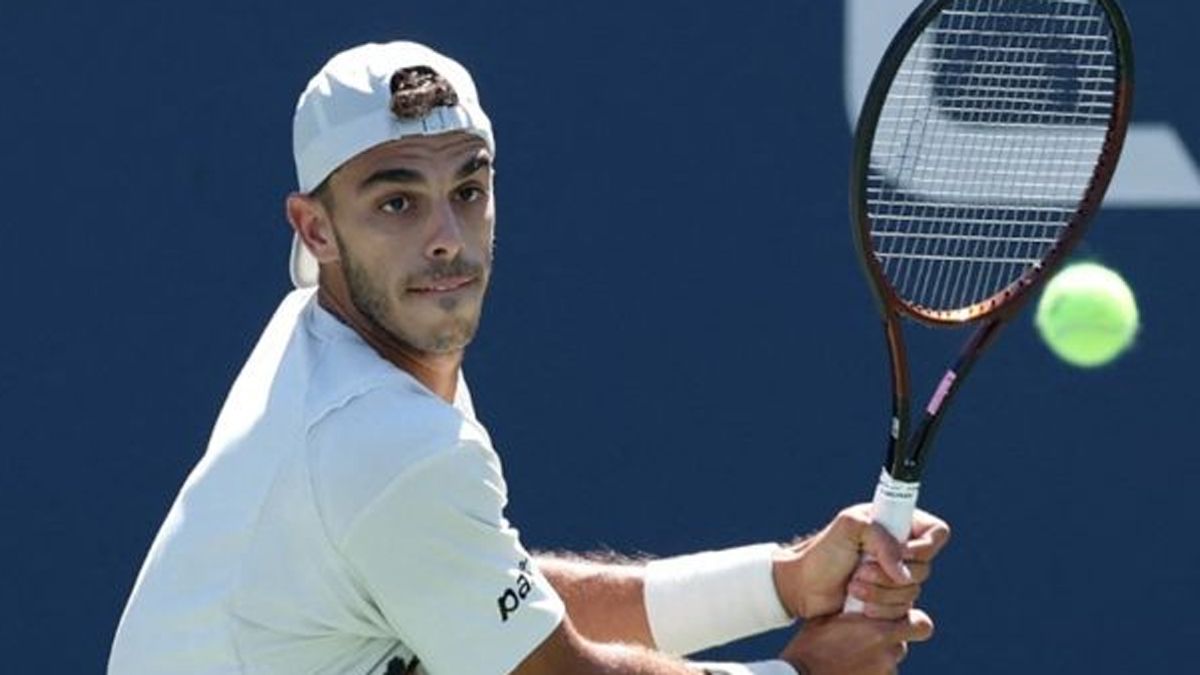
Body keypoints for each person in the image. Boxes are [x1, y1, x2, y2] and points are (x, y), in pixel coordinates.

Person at [108, 41, 950, 675]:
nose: (446, 239)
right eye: (397, 200)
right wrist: (798, 673)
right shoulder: (377, 438)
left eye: (467, 190)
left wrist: (781, 581)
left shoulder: (345, 349)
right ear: (315, 228)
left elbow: (493, 599)